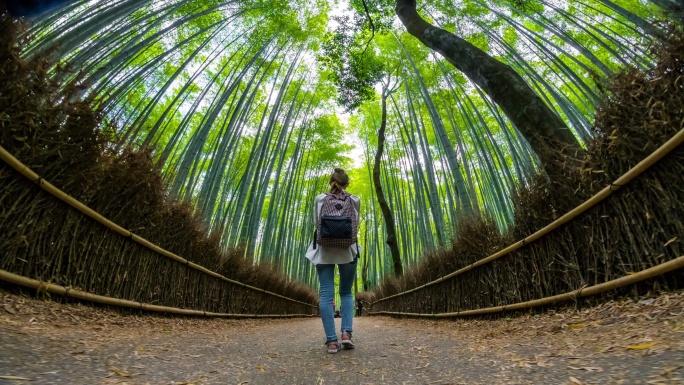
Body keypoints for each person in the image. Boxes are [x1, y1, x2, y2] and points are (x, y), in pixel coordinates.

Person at [305, 168, 360, 354]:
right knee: (346, 292)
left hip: (324, 250)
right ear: (347, 184)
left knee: (326, 295)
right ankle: (346, 334)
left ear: (331, 182)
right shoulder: (354, 199)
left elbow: (316, 223)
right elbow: (355, 225)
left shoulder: (320, 199)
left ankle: (331, 342)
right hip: (348, 251)